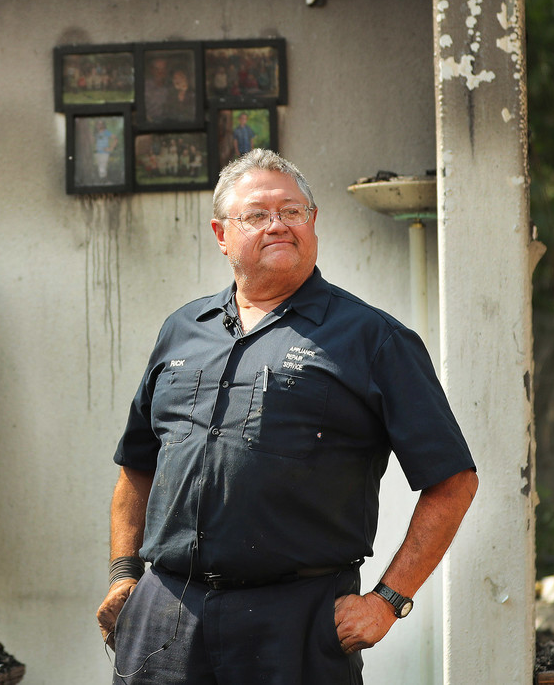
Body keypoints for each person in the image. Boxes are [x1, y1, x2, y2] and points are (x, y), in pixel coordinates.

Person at [96, 149, 477, 685]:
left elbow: (453, 480)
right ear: (221, 233)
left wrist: (389, 600)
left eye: (293, 211)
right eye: (257, 215)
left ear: (313, 223)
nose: (278, 225)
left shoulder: (374, 339)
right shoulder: (182, 329)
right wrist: (122, 577)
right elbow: (137, 466)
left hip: (297, 623)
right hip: (165, 616)